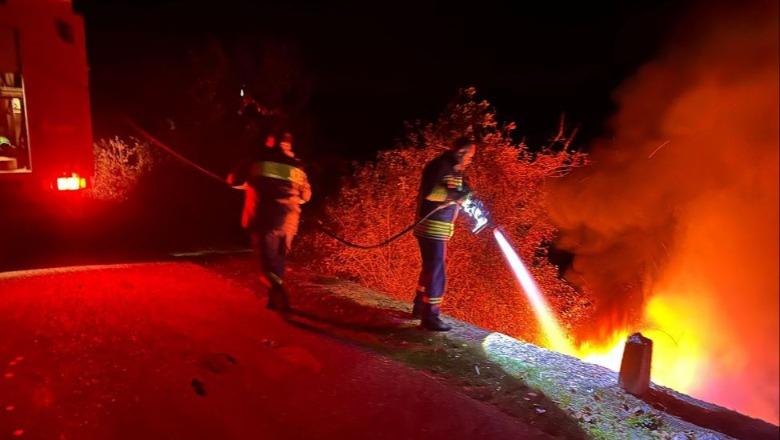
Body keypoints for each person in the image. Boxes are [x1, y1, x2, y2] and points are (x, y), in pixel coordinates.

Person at [227, 132, 311, 311]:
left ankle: (278, 291)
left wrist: (249, 185)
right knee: (278, 262)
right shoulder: (298, 166)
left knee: (264, 266)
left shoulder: (257, 160)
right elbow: (306, 196)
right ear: (289, 144)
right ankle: (273, 300)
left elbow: (233, 181)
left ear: (271, 143)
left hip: (264, 219)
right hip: (289, 222)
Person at [412, 136, 477, 331]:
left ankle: (419, 307)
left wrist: (464, 191)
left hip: (436, 226)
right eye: (470, 156)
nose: (470, 160)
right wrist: (456, 196)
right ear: (461, 152)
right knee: (437, 269)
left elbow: (452, 191)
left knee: (431, 267)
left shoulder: (451, 169)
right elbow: (432, 194)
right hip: (433, 226)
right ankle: (430, 316)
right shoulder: (441, 166)